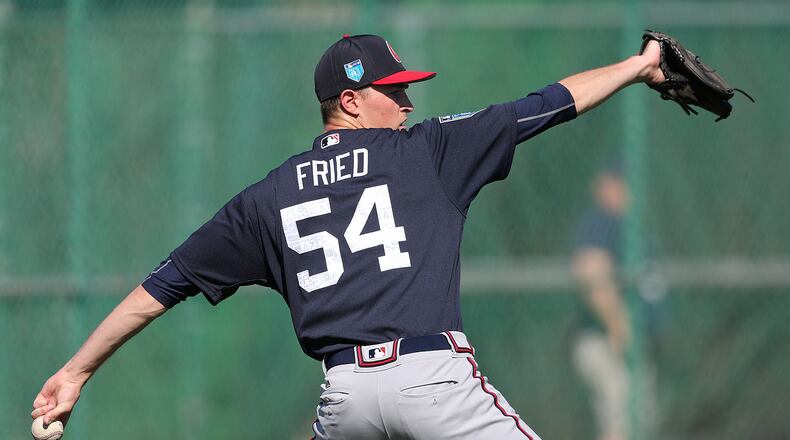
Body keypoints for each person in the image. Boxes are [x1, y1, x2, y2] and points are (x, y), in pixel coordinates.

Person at [32, 34, 665, 439]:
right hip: (433, 379)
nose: (408, 104)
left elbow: (162, 286)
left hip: (346, 402)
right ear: (351, 102)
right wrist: (638, 67)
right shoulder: (427, 153)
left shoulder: (268, 196)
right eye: (393, 92)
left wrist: (76, 371)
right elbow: (549, 103)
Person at [570, 165, 666, 440]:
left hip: (629, 346)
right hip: (607, 342)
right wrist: (618, 324)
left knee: (637, 421)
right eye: (614, 183)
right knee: (624, 417)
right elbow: (590, 268)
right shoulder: (603, 221)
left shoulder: (632, 226)